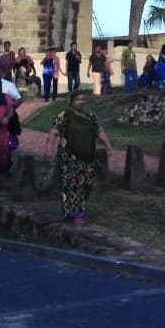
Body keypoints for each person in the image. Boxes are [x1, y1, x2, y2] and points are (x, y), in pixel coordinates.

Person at [45, 90, 111, 226]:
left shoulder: (90, 116)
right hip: (69, 157)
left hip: (87, 156)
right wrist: (48, 150)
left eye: (83, 99)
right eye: (77, 99)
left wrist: (108, 146)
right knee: (73, 186)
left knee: (86, 185)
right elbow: (53, 132)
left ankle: (73, 212)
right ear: (71, 102)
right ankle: (76, 214)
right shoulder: (65, 116)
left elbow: (99, 132)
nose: (81, 102)